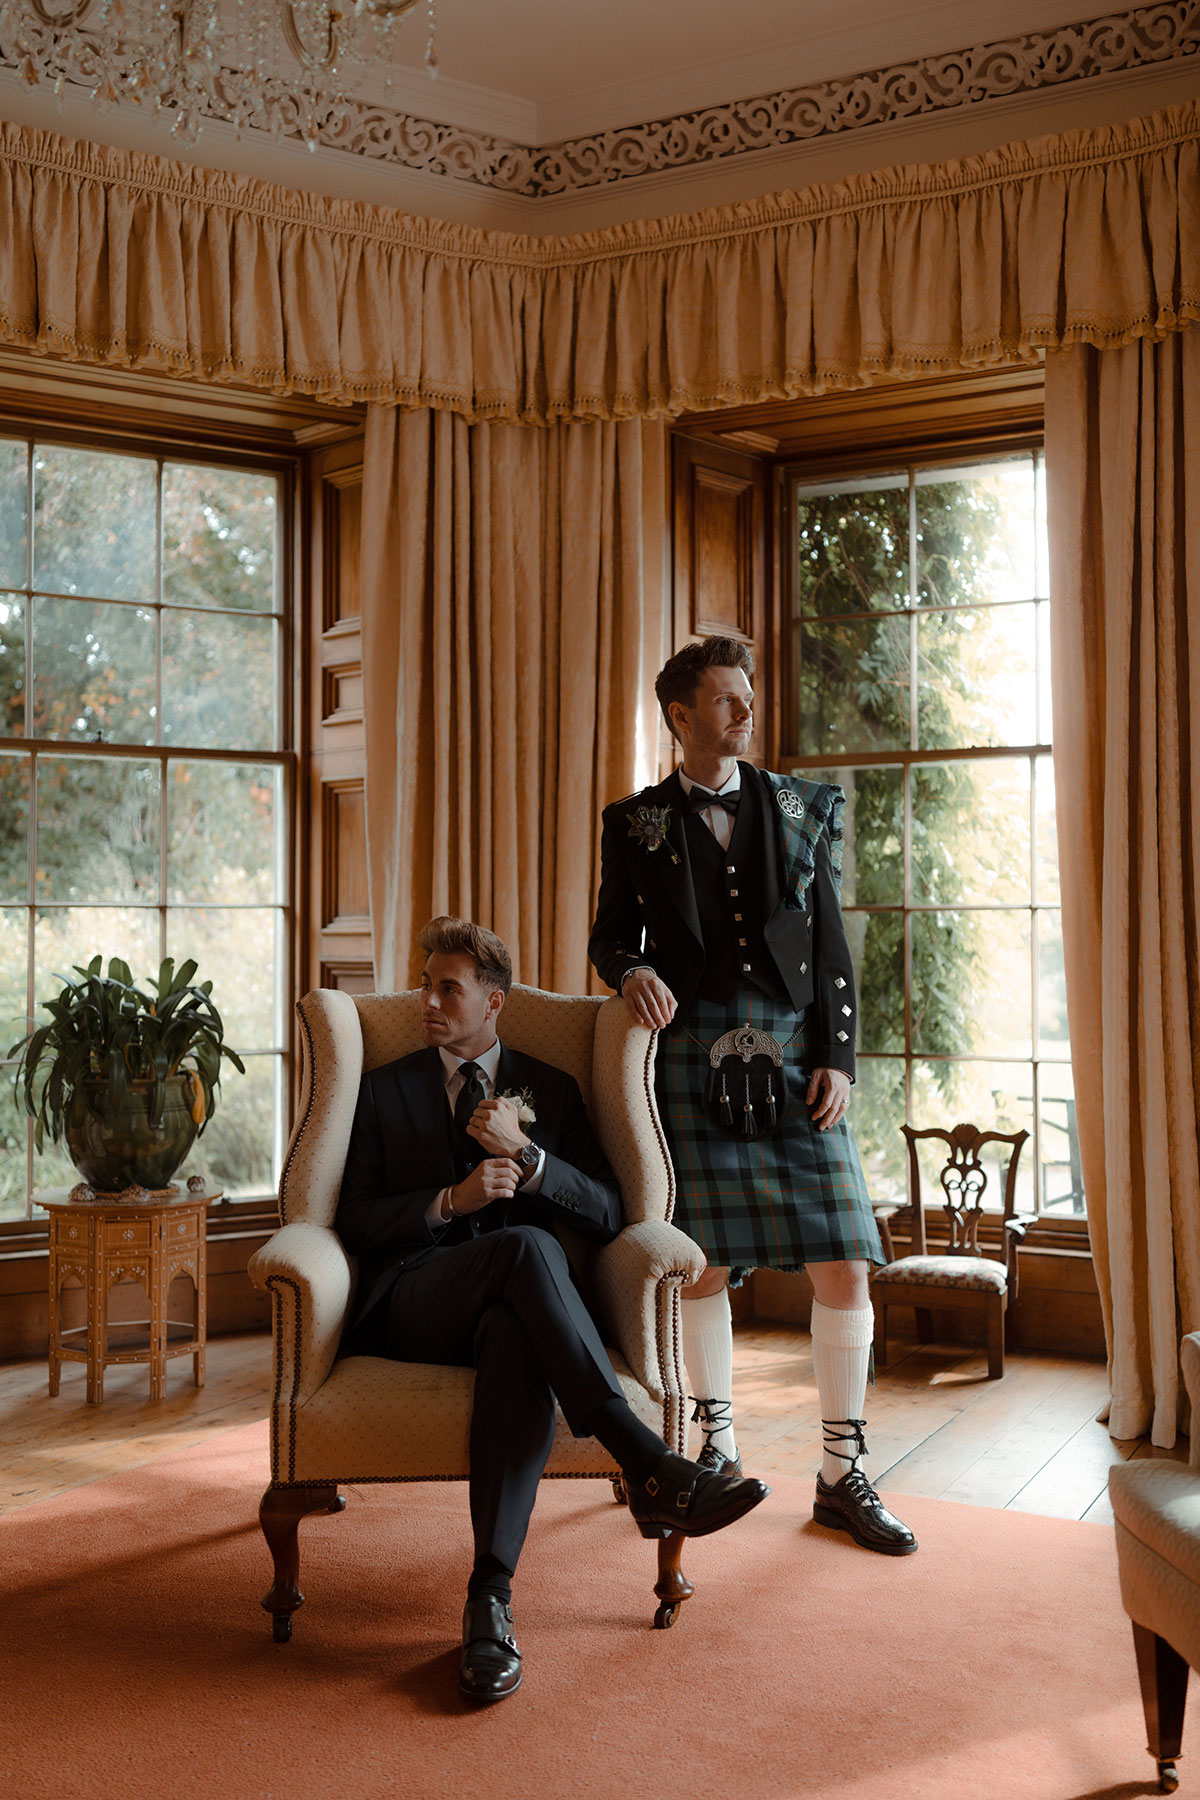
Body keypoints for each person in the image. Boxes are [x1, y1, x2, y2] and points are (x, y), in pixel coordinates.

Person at [334, 914, 770, 1704]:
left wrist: (531, 1160)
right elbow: (354, 1219)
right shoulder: (383, 1088)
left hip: (527, 1317)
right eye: (425, 984)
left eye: (446, 988)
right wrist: (448, 1200)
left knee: (516, 1320)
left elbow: (611, 1212)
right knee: (528, 1251)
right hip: (416, 1301)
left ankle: (488, 1602)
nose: (425, 1000)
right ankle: (648, 1464)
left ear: (494, 1002)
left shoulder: (554, 1090)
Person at [588, 638, 917, 1557]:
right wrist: (633, 971)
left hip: (792, 1052)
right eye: (725, 700)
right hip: (690, 1053)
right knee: (703, 1266)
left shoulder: (801, 807)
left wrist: (839, 1058)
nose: (744, 712)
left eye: (747, 697)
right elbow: (611, 937)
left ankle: (841, 1474)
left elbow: (831, 945)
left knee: (846, 1262)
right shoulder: (637, 822)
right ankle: (717, 1450)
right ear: (680, 716)